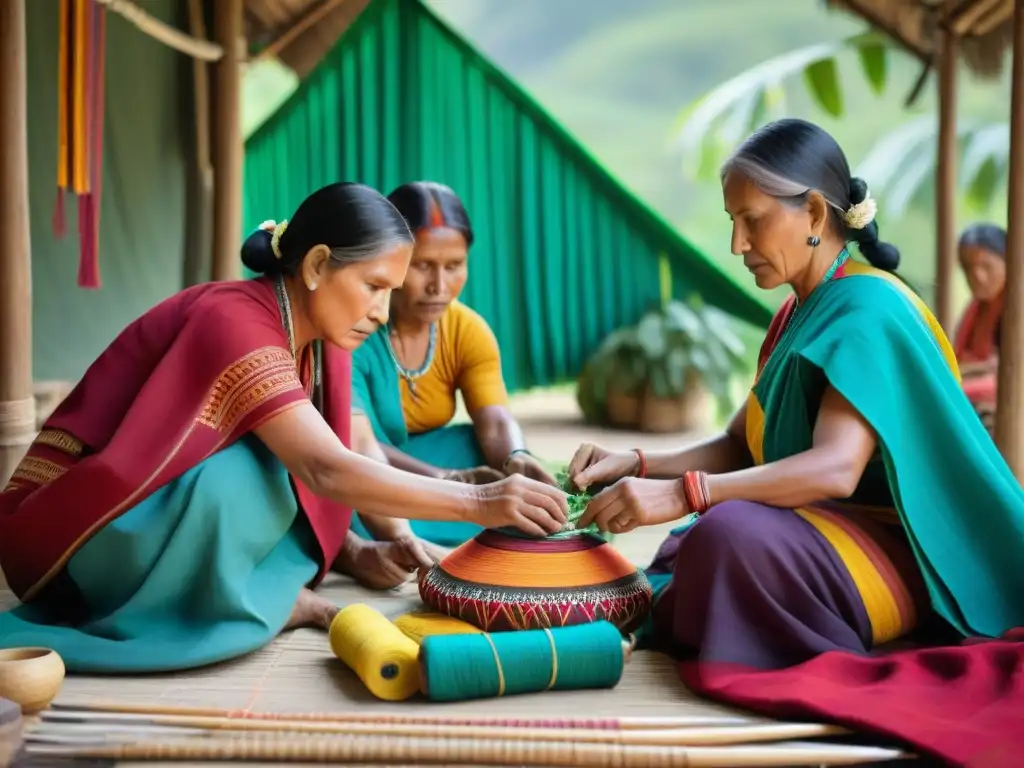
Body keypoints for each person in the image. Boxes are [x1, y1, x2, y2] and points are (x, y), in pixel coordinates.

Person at [566, 119, 1024, 764]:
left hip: (913, 550)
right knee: (705, 537)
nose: (736, 243)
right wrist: (638, 463)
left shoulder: (867, 308)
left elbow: (837, 470)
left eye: (751, 220)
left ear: (812, 210)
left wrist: (685, 493)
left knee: (724, 536)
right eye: (732, 221)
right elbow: (738, 445)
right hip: (833, 527)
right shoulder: (797, 308)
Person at [0, 182, 568, 674]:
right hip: (71, 535)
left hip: (134, 518)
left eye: (389, 292)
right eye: (374, 285)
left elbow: (359, 448)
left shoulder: (324, 333)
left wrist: (389, 541)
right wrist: (481, 500)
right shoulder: (233, 320)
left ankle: (275, 586)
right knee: (249, 475)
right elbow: (325, 467)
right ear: (318, 266)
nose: (381, 309)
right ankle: (254, 601)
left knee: (278, 462)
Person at [349, 181, 557, 548]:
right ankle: (458, 524)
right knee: (346, 506)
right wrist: (443, 481)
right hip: (368, 469)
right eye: (422, 266)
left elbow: (494, 420)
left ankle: (473, 516)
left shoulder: (467, 330)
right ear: (388, 260)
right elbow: (355, 446)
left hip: (437, 463)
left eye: (455, 266)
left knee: (486, 456)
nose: (439, 286)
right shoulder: (354, 329)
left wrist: (516, 458)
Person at [953, 223, 1006, 434]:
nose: (977, 276)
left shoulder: (1016, 311)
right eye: (967, 268)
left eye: (987, 266)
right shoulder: (976, 310)